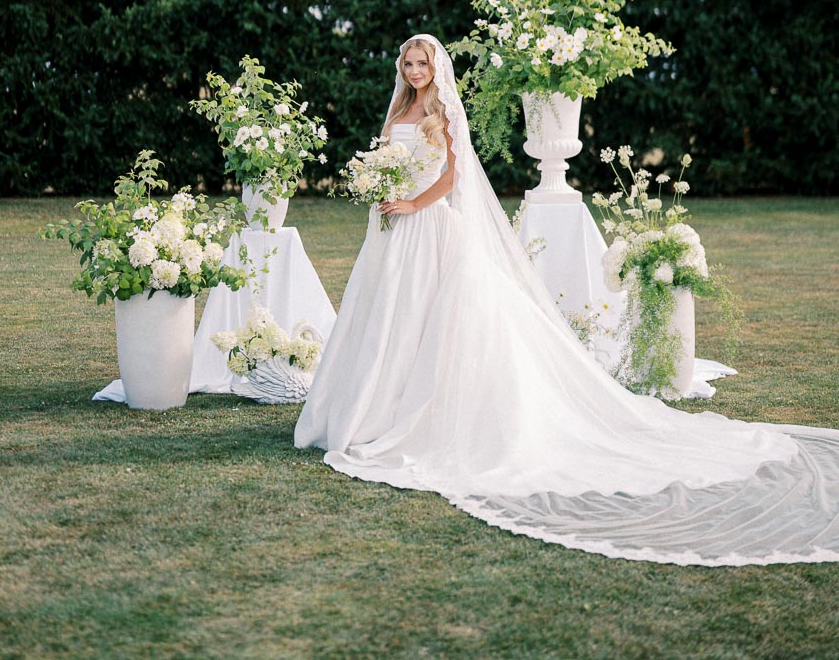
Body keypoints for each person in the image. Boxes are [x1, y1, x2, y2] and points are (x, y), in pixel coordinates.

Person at [295, 35, 839, 566]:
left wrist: (413, 202)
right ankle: (371, 406)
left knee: (431, 318)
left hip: (429, 225)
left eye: (423, 63)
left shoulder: (445, 112)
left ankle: (410, 413)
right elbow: (387, 160)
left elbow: (456, 178)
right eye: (409, 63)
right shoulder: (397, 111)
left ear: (436, 68)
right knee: (386, 316)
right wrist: (378, 189)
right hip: (391, 230)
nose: (416, 71)